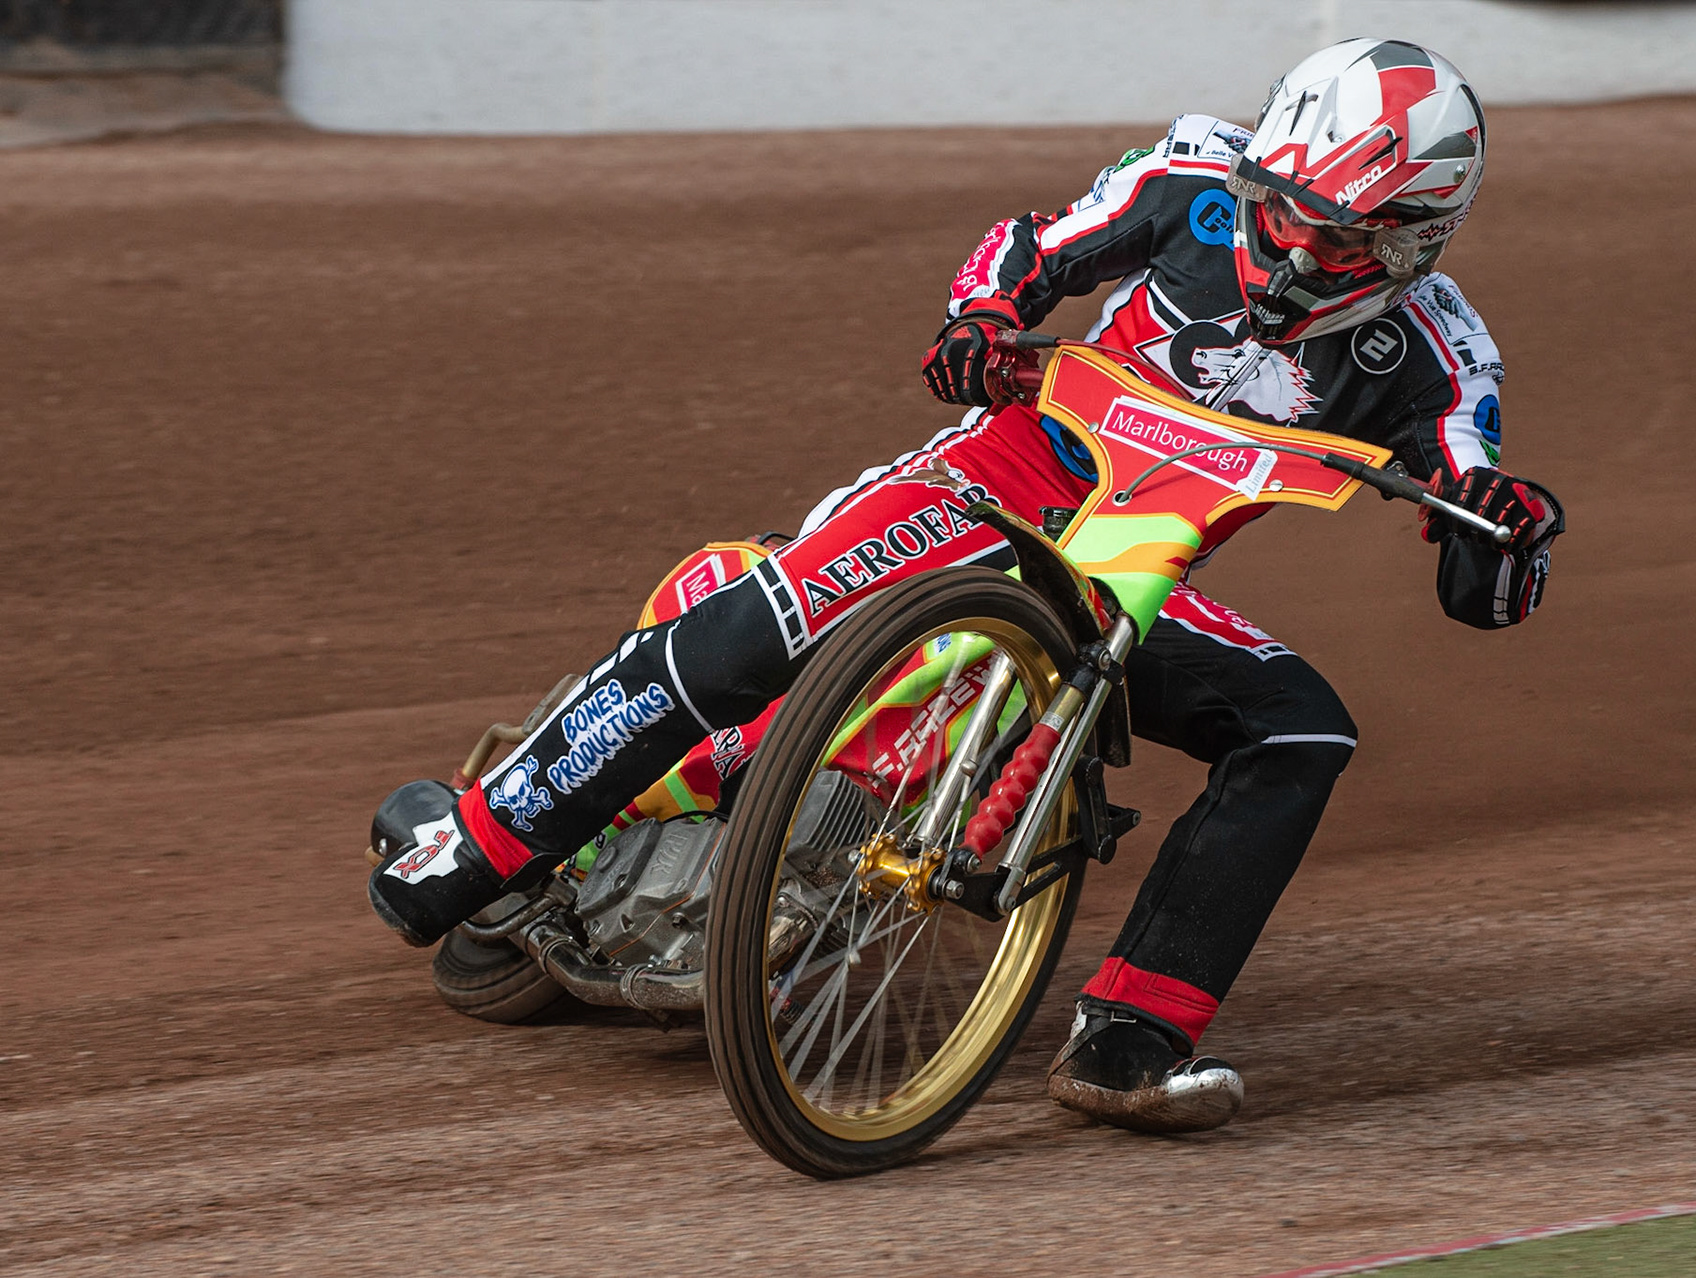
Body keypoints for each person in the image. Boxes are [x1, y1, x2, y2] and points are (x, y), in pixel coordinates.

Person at [367, 38, 1563, 1135]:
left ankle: (1132, 1040)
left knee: (1300, 729)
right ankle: (468, 848)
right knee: (751, 638)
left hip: (1128, 574)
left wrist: (1509, 531)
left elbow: (1483, 572)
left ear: (1414, 245)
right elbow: (1030, 248)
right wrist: (981, 319)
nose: (1295, 251)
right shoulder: (1192, 173)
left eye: (1340, 242)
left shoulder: (1444, 358)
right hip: (990, 484)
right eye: (1285, 211)